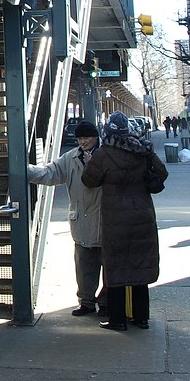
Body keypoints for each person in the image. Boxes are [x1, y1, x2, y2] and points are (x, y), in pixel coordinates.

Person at [81, 111, 168, 331]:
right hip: (142, 214)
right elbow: (162, 174)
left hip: (115, 217)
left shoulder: (103, 154)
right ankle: (141, 318)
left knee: (116, 267)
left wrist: (90, 163)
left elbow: (89, 181)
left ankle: (118, 320)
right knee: (140, 265)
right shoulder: (143, 149)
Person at [27, 120, 106, 316]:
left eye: (87, 137)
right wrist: (24, 169)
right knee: (84, 267)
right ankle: (86, 301)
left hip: (106, 222)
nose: (83, 142)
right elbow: (49, 173)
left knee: (110, 267)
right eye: (80, 138)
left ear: (96, 137)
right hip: (82, 222)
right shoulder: (70, 158)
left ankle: (106, 303)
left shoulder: (107, 156)